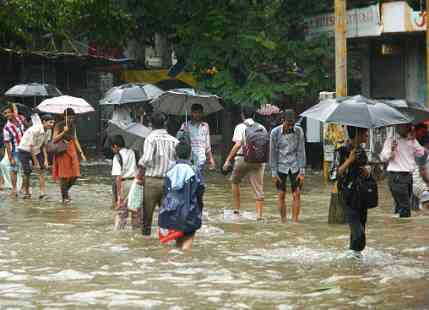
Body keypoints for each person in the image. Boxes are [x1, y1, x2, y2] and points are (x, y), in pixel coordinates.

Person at [222, 105, 267, 220]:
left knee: (235, 181)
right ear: (254, 115)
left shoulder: (240, 127)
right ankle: (259, 216)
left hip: (242, 159)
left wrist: (227, 160)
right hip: (258, 160)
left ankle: (237, 210)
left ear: (242, 115)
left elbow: (237, 145)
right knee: (258, 188)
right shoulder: (262, 127)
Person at [138, 112, 179, 237]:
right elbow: (179, 161)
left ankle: (146, 246)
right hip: (169, 182)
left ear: (151, 124)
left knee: (147, 219)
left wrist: (139, 170)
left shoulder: (150, 138)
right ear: (164, 124)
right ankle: (165, 244)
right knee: (166, 217)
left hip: (151, 182)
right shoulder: (174, 140)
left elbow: (146, 160)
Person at [158, 141, 204, 250]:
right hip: (190, 212)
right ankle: (185, 260)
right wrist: (200, 208)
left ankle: (177, 261)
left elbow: (165, 192)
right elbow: (200, 191)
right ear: (190, 154)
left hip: (171, 213)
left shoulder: (169, 171)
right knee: (188, 238)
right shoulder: (195, 170)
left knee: (178, 240)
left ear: (175, 154)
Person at [337, 126, 370, 256]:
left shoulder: (361, 151)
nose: (367, 136)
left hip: (361, 195)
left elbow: (367, 172)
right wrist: (349, 161)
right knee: (358, 232)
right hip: (347, 196)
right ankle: (355, 255)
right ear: (357, 135)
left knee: (361, 227)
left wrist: (367, 173)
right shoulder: (341, 151)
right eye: (365, 134)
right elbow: (334, 174)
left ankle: (355, 259)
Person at [380, 124, 425, 217]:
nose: (407, 128)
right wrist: (391, 151)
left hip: (408, 177)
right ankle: (403, 226)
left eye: (408, 126)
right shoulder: (391, 140)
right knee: (405, 209)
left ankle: (397, 228)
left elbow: (421, 153)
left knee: (400, 207)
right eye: (405, 126)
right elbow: (383, 158)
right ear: (398, 127)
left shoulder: (411, 140)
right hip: (396, 176)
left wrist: (413, 140)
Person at [270, 109, 306, 223]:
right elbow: (273, 153)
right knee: (281, 194)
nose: (290, 126)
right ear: (282, 120)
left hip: (295, 165)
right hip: (281, 166)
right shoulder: (275, 133)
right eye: (288, 124)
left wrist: (302, 171)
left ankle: (295, 222)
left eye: (292, 124)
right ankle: (284, 221)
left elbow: (301, 151)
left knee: (297, 194)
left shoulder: (299, 131)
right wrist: (274, 172)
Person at [52, 108, 87, 203]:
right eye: (69, 117)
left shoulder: (73, 125)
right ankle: (65, 198)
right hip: (62, 150)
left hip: (71, 150)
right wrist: (63, 132)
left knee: (75, 174)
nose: (71, 119)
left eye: (72, 118)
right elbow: (54, 139)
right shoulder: (58, 125)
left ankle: (65, 192)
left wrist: (81, 153)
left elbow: (75, 139)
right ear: (64, 116)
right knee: (63, 176)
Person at [17, 114, 55, 199]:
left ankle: (42, 193)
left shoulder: (48, 130)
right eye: (50, 122)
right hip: (24, 150)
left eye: (53, 123)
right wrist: (36, 163)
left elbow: (43, 146)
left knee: (42, 170)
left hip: (36, 150)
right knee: (27, 172)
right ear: (44, 122)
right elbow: (31, 146)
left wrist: (45, 160)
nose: (52, 125)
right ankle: (27, 193)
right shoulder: (35, 130)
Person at [178, 103, 216, 174]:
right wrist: (184, 132)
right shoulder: (185, 125)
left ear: (202, 113)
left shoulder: (205, 126)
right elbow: (180, 141)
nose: (197, 114)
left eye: (199, 112)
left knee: (199, 181)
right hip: (189, 158)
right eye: (195, 112)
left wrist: (211, 159)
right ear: (191, 113)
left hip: (201, 158)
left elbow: (207, 144)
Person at [110, 135, 138, 230]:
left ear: (115, 146)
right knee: (135, 213)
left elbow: (118, 178)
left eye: (112, 147)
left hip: (124, 184)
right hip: (135, 183)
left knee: (121, 212)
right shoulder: (132, 152)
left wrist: (119, 197)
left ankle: (118, 234)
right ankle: (136, 232)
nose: (112, 149)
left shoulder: (117, 157)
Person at [2, 103, 26, 196]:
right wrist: (10, 157)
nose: (7, 115)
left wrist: (24, 122)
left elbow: (28, 127)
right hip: (15, 150)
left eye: (8, 112)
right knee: (14, 170)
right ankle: (14, 189)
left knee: (25, 170)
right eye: (5, 113)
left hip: (25, 149)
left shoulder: (20, 119)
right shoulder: (6, 128)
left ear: (12, 113)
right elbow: (7, 144)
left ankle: (24, 188)